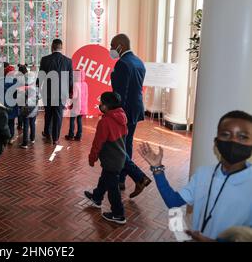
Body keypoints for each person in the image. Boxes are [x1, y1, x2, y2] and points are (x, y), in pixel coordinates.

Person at [138, 110, 252, 240]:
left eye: (243, 136)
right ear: (216, 142)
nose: (233, 141)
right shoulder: (203, 174)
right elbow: (173, 202)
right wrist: (157, 168)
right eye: (226, 134)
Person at [110, 34, 151, 198]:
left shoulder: (122, 64)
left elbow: (120, 93)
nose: (111, 49)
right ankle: (121, 179)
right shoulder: (139, 62)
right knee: (127, 144)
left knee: (118, 146)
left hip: (124, 111)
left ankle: (138, 177)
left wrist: (116, 113)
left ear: (121, 46)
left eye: (112, 45)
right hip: (136, 109)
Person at [84, 92, 128, 225]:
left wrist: (92, 158)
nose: (100, 105)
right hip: (120, 156)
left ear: (107, 106)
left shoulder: (105, 122)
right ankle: (97, 197)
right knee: (105, 178)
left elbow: (98, 143)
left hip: (111, 159)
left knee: (113, 188)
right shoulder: (122, 116)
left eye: (101, 102)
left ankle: (118, 214)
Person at [39, 39, 73, 145]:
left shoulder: (45, 59)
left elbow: (41, 76)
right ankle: (56, 138)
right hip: (61, 94)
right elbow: (70, 78)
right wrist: (70, 92)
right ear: (61, 47)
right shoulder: (68, 61)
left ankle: (47, 134)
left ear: (52, 47)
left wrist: (39, 89)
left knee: (48, 114)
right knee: (58, 116)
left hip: (48, 93)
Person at [17, 66, 39, 149]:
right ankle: (32, 139)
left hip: (26, 108)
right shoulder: (35, 87)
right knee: (32, 123)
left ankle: (25, 143)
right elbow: (39, 96)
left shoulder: (23, 88)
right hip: (34, 108)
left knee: (26, 124)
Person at [65, 69, 88, 142]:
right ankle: (79, 136)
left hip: (76, 106)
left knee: (72, 120)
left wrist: (69, 96)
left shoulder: (75, 84)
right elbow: (87, 95)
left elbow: (74, 96)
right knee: (79, 120)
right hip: (83, 106)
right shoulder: (85, 84)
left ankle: (71, 135)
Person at [3, 65, 19, 144]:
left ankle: (5, 137)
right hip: (12, 105)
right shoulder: (16, 81)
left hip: (3, 105)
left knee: (4, 122)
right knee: (11, 122)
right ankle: (10, 138)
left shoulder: (2, 81)